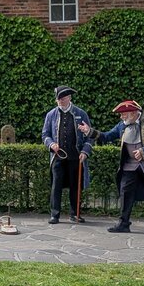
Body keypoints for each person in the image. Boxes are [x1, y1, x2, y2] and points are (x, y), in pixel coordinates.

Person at [80, 100, 144, 234]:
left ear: (133, 113)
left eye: (123, 114)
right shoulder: (122, 126)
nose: (121, 117)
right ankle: (123, 224)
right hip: (129, 165)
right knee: (125, 192)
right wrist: (89, 132)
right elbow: (107, 136)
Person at [41, 86, 93, 224]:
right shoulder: (51, 115)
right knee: (56, 186)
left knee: (76, 186)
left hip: (76, 157)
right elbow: (45, 134)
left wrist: (85, 151)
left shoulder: (81, 114)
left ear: (69, 98)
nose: (60, 101)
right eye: (58, 99)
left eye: (63, 98)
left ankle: (75, 214)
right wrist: (51, 144)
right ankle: (55, 214)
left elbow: (90, 136)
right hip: (57, 157)